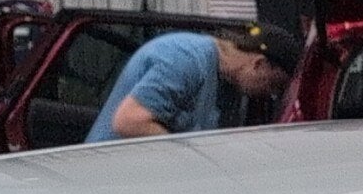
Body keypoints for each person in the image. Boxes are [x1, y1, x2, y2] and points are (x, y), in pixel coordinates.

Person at [86, 17, 287, 140]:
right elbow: (129, 121)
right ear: (258, 64)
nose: (269, 94)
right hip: (112, 181)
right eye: (274, 85)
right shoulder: (186, 60)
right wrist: (186, 157)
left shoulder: (226, 80)